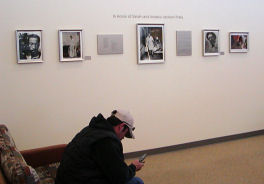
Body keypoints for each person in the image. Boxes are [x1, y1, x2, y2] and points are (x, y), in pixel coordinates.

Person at [55, 110, 145, 184]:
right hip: (80, 180)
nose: (123, 138)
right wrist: (133, 167)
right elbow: (120, 178)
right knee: (137, 182)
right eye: (125, 134)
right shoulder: (107, 141)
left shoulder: (91, 129)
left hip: (66, 178)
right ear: (121, 127)